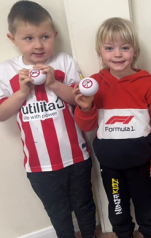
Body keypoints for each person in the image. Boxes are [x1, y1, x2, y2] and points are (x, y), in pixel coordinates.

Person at [0, 1, 96, 238]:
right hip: (39, 164)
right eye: (29, 38)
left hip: (76, 156)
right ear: (13, 39)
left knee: (84, 205)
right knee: (58, 213)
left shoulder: (64, 62)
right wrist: (22, 92)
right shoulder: (6, 71)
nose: (39, 45)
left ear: (54, 35)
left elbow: (78, 100)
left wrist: (53, 83)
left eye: (44, 36)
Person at [73, 17, 151, 238]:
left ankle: (149, 233)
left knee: (146, 206)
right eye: (110, 48)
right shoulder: (94, 85)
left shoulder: (149, 84)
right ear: (100, 51)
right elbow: (86, 125)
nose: (117, 54)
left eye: (124, 48)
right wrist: (86, 107)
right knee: (117, 208)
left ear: (134, 51)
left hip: (143, 164)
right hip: (111, 167)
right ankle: (123, 234)